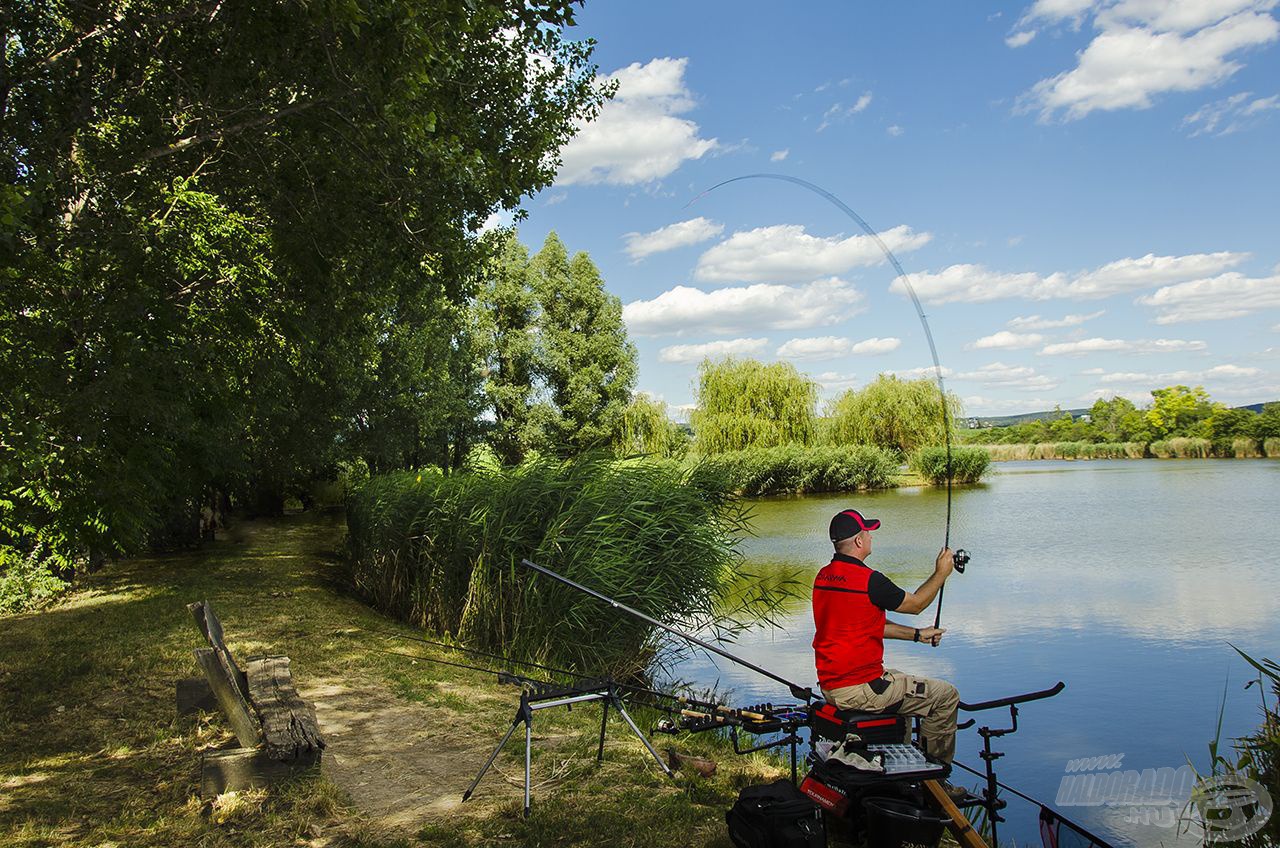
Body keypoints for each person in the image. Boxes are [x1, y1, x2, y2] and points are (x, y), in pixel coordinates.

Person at [812, 507, 960, 766]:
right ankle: (935, 781)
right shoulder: (870, 581)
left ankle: (898, 768)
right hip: (859, 689)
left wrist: (917, 635)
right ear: (859, 541)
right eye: (868, 532)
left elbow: (868, 625)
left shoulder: (823, 577)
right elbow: (916, 605)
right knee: (946, 695)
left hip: (832, 686)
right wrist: (941, 573)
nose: (871, 537)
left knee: (901, 683)